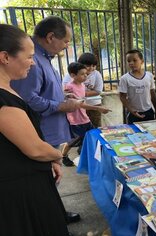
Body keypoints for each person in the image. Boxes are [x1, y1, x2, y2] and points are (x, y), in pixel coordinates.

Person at [11, 16, 81, 224]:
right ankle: (51, 218)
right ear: (51, 37)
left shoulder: (44, 59)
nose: (67, 45)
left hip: (50, 131)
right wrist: (60, 105)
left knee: (52, 178)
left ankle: (55, 212)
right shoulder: (32, 61)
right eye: (66, 41)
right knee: (48, 177)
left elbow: (43, 91)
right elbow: (27, 99)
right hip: (42, 133)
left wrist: (63, 98)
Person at [0, 24, 69, 236]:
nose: (32, 62)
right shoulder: (3, 100)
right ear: (5, 57)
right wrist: (57, 155)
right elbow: (35, 149)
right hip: (21, 191)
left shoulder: (8, 87)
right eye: (29, 56)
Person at [62, 62, 111, 159]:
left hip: (84, 117)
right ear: (73, 75)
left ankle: (87, 156)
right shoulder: (69, 87)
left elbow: (82, 101)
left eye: (86, 74)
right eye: (82, 74)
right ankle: (63, 156)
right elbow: (79, 104)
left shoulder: (82, 85)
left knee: (91, 136)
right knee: (72, 141)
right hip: (75, 120)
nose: (85, 76)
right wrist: (99, 108)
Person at [62, 52, 104, 128]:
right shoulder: (71, 74)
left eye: (94, 66)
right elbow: (65, 90)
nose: (91, 68)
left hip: (93, 104)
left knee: (95, 127)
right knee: (79, 128)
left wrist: (81, 93)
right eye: (88, 65)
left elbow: (98, 91)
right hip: (77, 107)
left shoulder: (96, 74)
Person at [119, 49, 156, 124]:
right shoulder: (125, 78)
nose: (131, 63)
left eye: (134, 60)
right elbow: (122, 96)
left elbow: (152, 93)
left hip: (149, 111)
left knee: (150, 133)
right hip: (134, 113)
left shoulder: (149, 76)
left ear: (142, 61)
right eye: (129, 61)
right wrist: (131, 110)